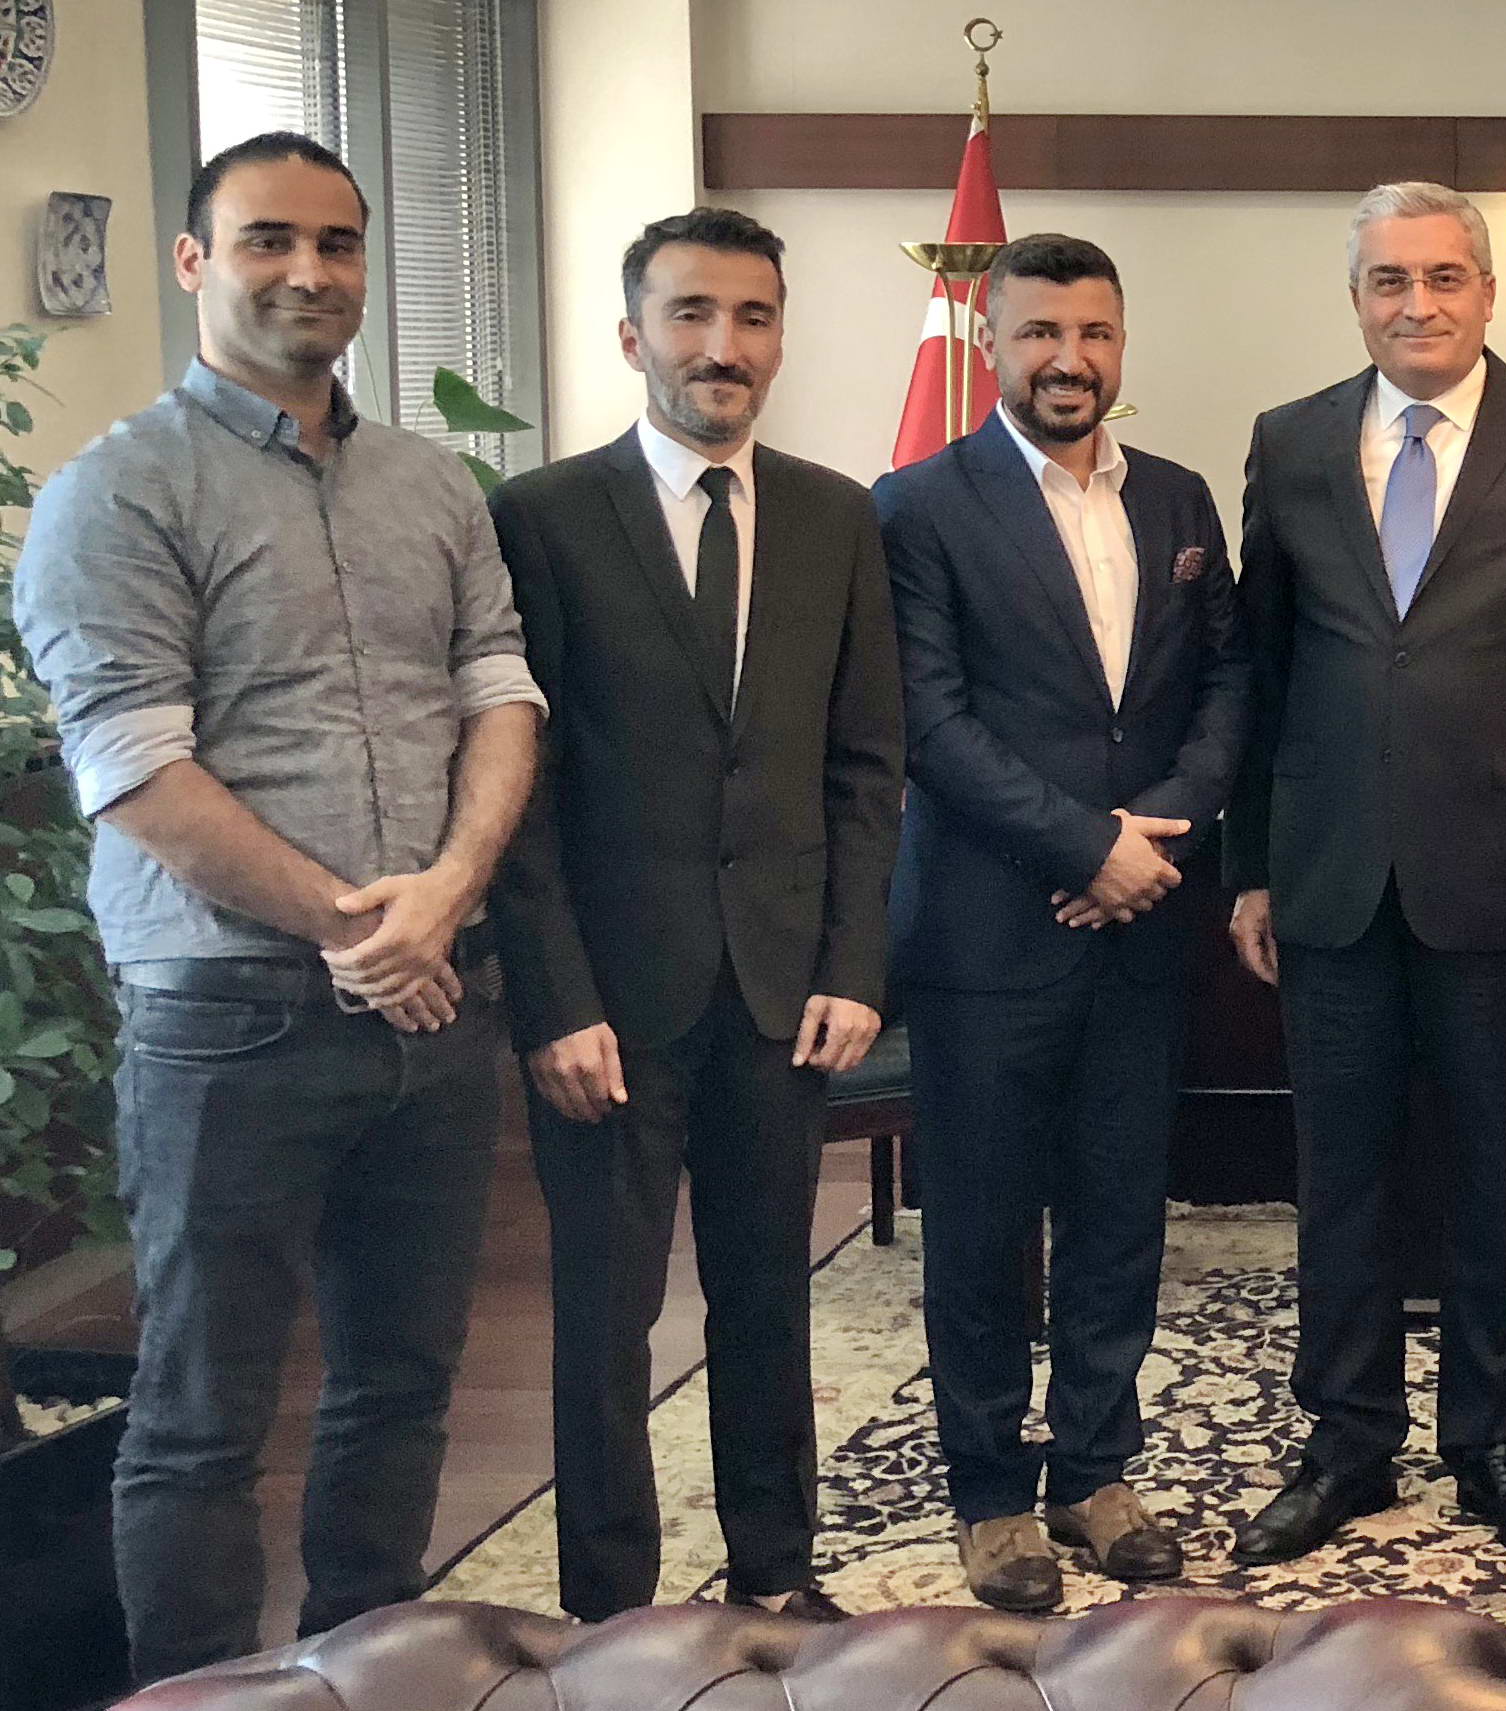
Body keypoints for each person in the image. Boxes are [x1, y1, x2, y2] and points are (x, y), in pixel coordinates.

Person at [12, 131, 546, 1681]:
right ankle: (198, 1695)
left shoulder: (429, 482)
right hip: (228, 1016)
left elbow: (499, 690)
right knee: (202, 1413)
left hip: (434, 1003)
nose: (308, 271)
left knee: (400, 1386)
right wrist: (361, 928)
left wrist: (447, 891)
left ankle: (365, 1672)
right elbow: (136, 772)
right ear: (196, 260)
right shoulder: (116, 492)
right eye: (267, 240)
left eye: (337, 242)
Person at [1224, 181, 1506, 1570]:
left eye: (1443, 277)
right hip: (1331, 874)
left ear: (1485, 289)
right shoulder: (1290, 441)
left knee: (1500, 1174)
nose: (1418, 304)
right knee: (1340, 1176)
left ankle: (1495, 1443)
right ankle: (1346, 1441)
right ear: (1357, 297)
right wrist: (1249, 866)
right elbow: (1259, 672)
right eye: (1389, 280)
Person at [485, 206, 899, 1624]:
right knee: (606, 1317)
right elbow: (517, 786)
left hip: (782, 987)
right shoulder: (541, 518)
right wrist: (553, 997)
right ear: (633, 336)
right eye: (692, 314)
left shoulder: (838, 515)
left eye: (753, 317)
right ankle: (609, 1607)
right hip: (609, 998)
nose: (724, 345)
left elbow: (865, 763)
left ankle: (776, 1572)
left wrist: (855, 961)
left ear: (779, 338)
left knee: (767, 1295)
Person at [875, 232, 1251, 1611]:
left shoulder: (1178, 497)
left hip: (1145, 920)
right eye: (1039, 332)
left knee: (1118, 1207)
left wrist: (1159, 830)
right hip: (988, 931)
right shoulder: (918, 505)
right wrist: (1087, 845)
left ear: (1121, 342)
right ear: (992, 342)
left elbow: (1227, 685)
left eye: (1093, 332)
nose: (1068, 358)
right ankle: (989, 1493)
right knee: (981, 1225)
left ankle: (1096, 1470)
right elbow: (931, 722)